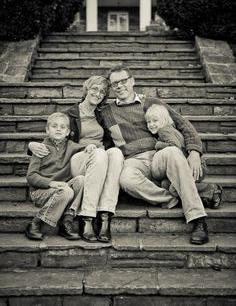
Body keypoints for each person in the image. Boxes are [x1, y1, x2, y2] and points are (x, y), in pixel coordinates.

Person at [100, 65, 218, 245]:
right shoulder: (107, 112)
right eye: (114, 83)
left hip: (159, 155)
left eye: (123, 81)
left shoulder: (150, 103)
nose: (119, 86)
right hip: (133, 161)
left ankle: (197, 219)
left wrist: (194, 152)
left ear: (132, 81)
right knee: (125, 180)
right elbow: (91, 128)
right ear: (111, 87)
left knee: (172, 151)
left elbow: (184, 125)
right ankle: (191, 196)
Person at [28, 76, 124, 243]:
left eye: (102, 91)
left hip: (97, 158)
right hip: (77, 160)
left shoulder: (103, 115)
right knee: (100, 154)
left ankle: (105, 215)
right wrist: (29, 145)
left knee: (115, 153)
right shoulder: (69, 115)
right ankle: (87, 216)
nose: (98, 93)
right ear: (86, 89)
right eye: (94, 88)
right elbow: (53, 137)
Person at [144, 103, 222, 208]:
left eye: (155, 121)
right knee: (165, 184)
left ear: (164, 119)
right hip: (193, 166)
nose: (151, 124)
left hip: (192, 167)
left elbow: (174, 146)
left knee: (173, 188)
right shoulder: (171, 129)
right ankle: (205, 198)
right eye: (148, 122)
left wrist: (158, 145)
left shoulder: (163, 131)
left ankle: (210, 189)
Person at [26, 112, 84, 241]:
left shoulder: (72, 146)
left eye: (63, 127)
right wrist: (50, 183)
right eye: (54, 126)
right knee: (67, 191)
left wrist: (91, 147)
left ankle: (67, 220)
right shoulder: (40, 148)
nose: (59, 129)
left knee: (81, 180)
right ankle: (36, 223)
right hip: (41, 192)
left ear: (68, 132)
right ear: (47, 129)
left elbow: (86, 149)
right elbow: (31, 176)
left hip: (63, 189)